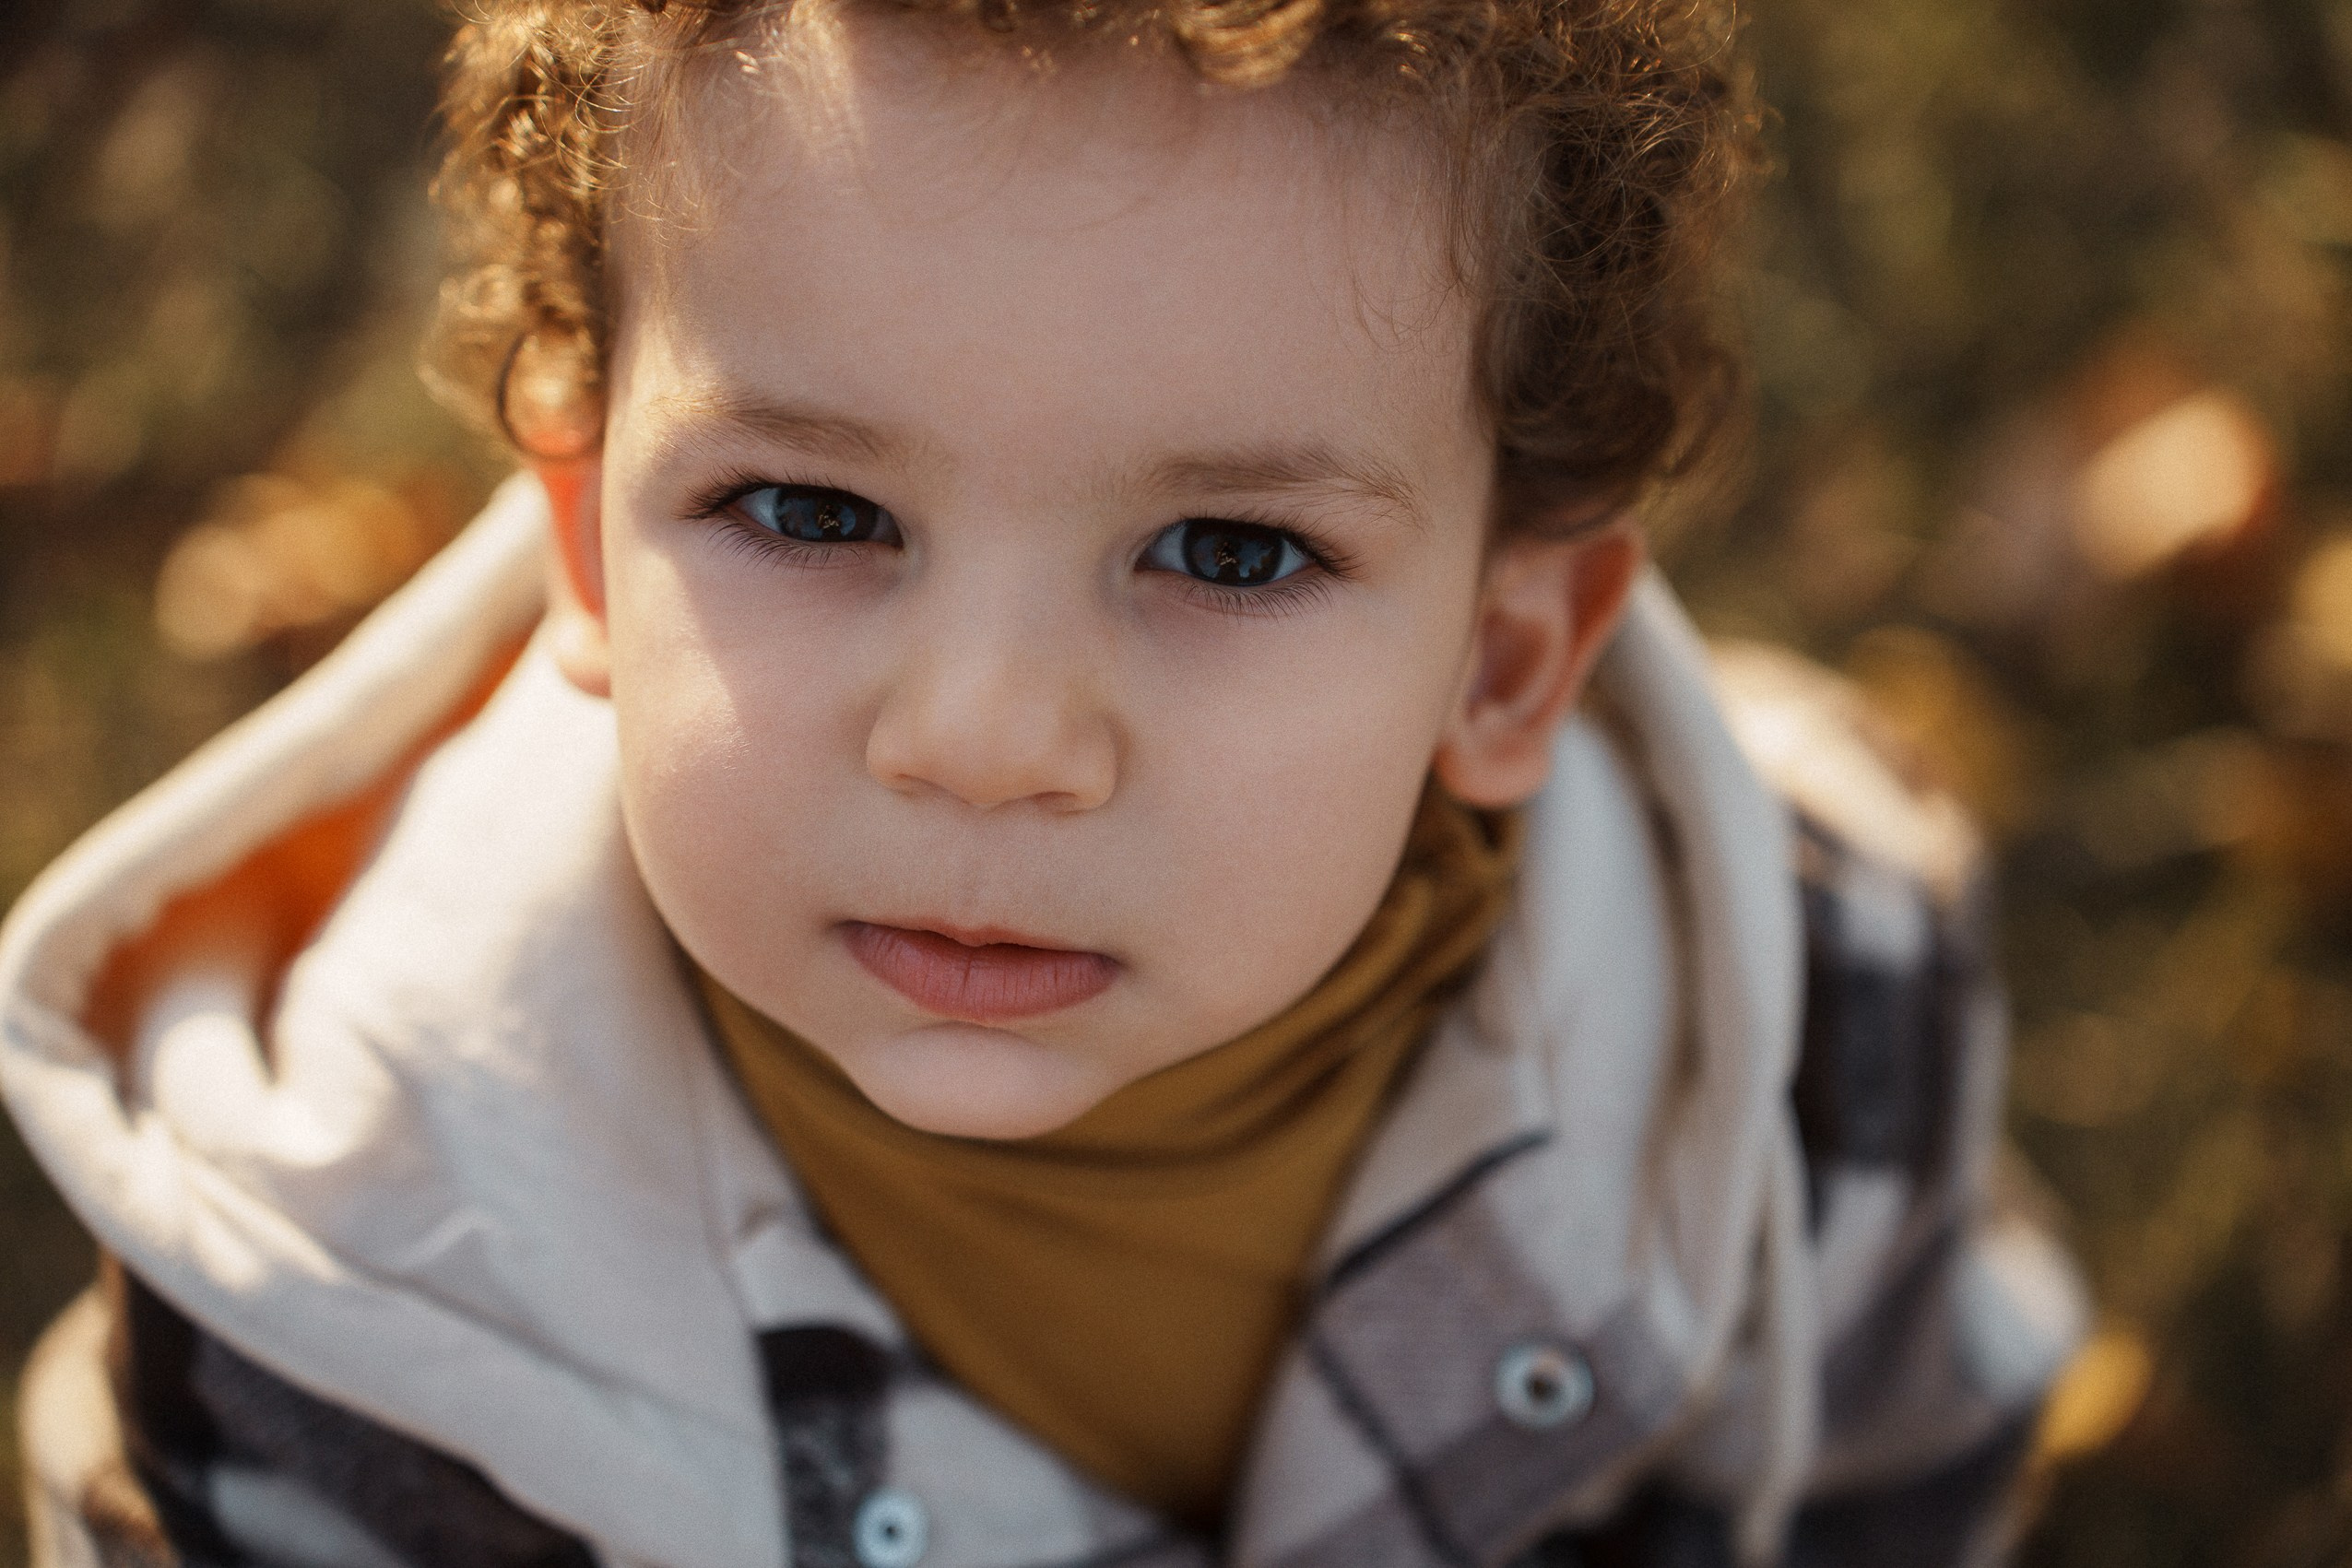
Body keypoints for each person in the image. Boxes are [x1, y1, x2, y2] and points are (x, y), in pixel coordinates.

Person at [2, 1, 2086, 1564]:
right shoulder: (329, 1326)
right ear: (581, 551)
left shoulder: (1808, 1004)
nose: (985, 737)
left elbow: (1899, 1474)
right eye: (812, 511)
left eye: (1232, 551)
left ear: (1506, 653)